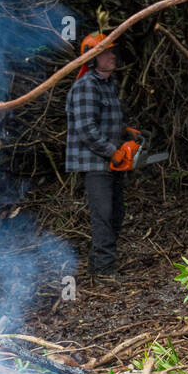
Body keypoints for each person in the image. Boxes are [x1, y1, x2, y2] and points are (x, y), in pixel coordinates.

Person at [65, 33, 138, 280]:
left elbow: (105, 121)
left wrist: (126, 132)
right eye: (106, 53)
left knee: (116, 214)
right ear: (94, 59)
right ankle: (105, 272)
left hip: (110, 162)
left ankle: (97, 266)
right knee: (103, 215)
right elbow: (86, 128)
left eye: (111, 52)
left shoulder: (109, 84)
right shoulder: (86, 85)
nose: (112, 56)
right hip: (96, 162)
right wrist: (113, 151)